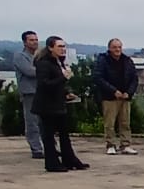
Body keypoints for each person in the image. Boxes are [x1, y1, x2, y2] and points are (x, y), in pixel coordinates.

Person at [31, 36, 88, 173]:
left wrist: (66, 92)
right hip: (46, 105)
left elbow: (58, 84)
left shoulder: (59, 62)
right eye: (59, 46)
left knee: (64, 134)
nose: (63, 49)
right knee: (49, 135)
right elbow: (44, 84)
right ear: (51, 48)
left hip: (59, 103)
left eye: (64, 46)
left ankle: (70, 160)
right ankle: (52, 163)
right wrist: (63, 77)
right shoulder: (44, 63)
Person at [93, 38, 138, 155]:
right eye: (114, 47)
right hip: (109, 97)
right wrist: (113, 91)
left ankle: (126, 145)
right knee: (110, 123)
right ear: (109, 48)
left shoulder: (127, 60)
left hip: (125, 96)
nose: (117, 49)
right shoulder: (103, 60)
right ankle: (110, 144)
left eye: (119, 47)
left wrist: (129, 92)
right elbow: (98, 78)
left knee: (125, 122)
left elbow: (134, 78)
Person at [14, 30, 43, 158]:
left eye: (36, 40)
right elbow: (29, 71)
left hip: (42, 91)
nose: (35, 42)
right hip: (29, 92)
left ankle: (48, 147)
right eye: (31, 40)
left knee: (44, 122)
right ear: (25, 42)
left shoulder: (40, 55)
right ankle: (36, 149)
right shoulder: (20, 56)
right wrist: (47, 71)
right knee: (32, 122)